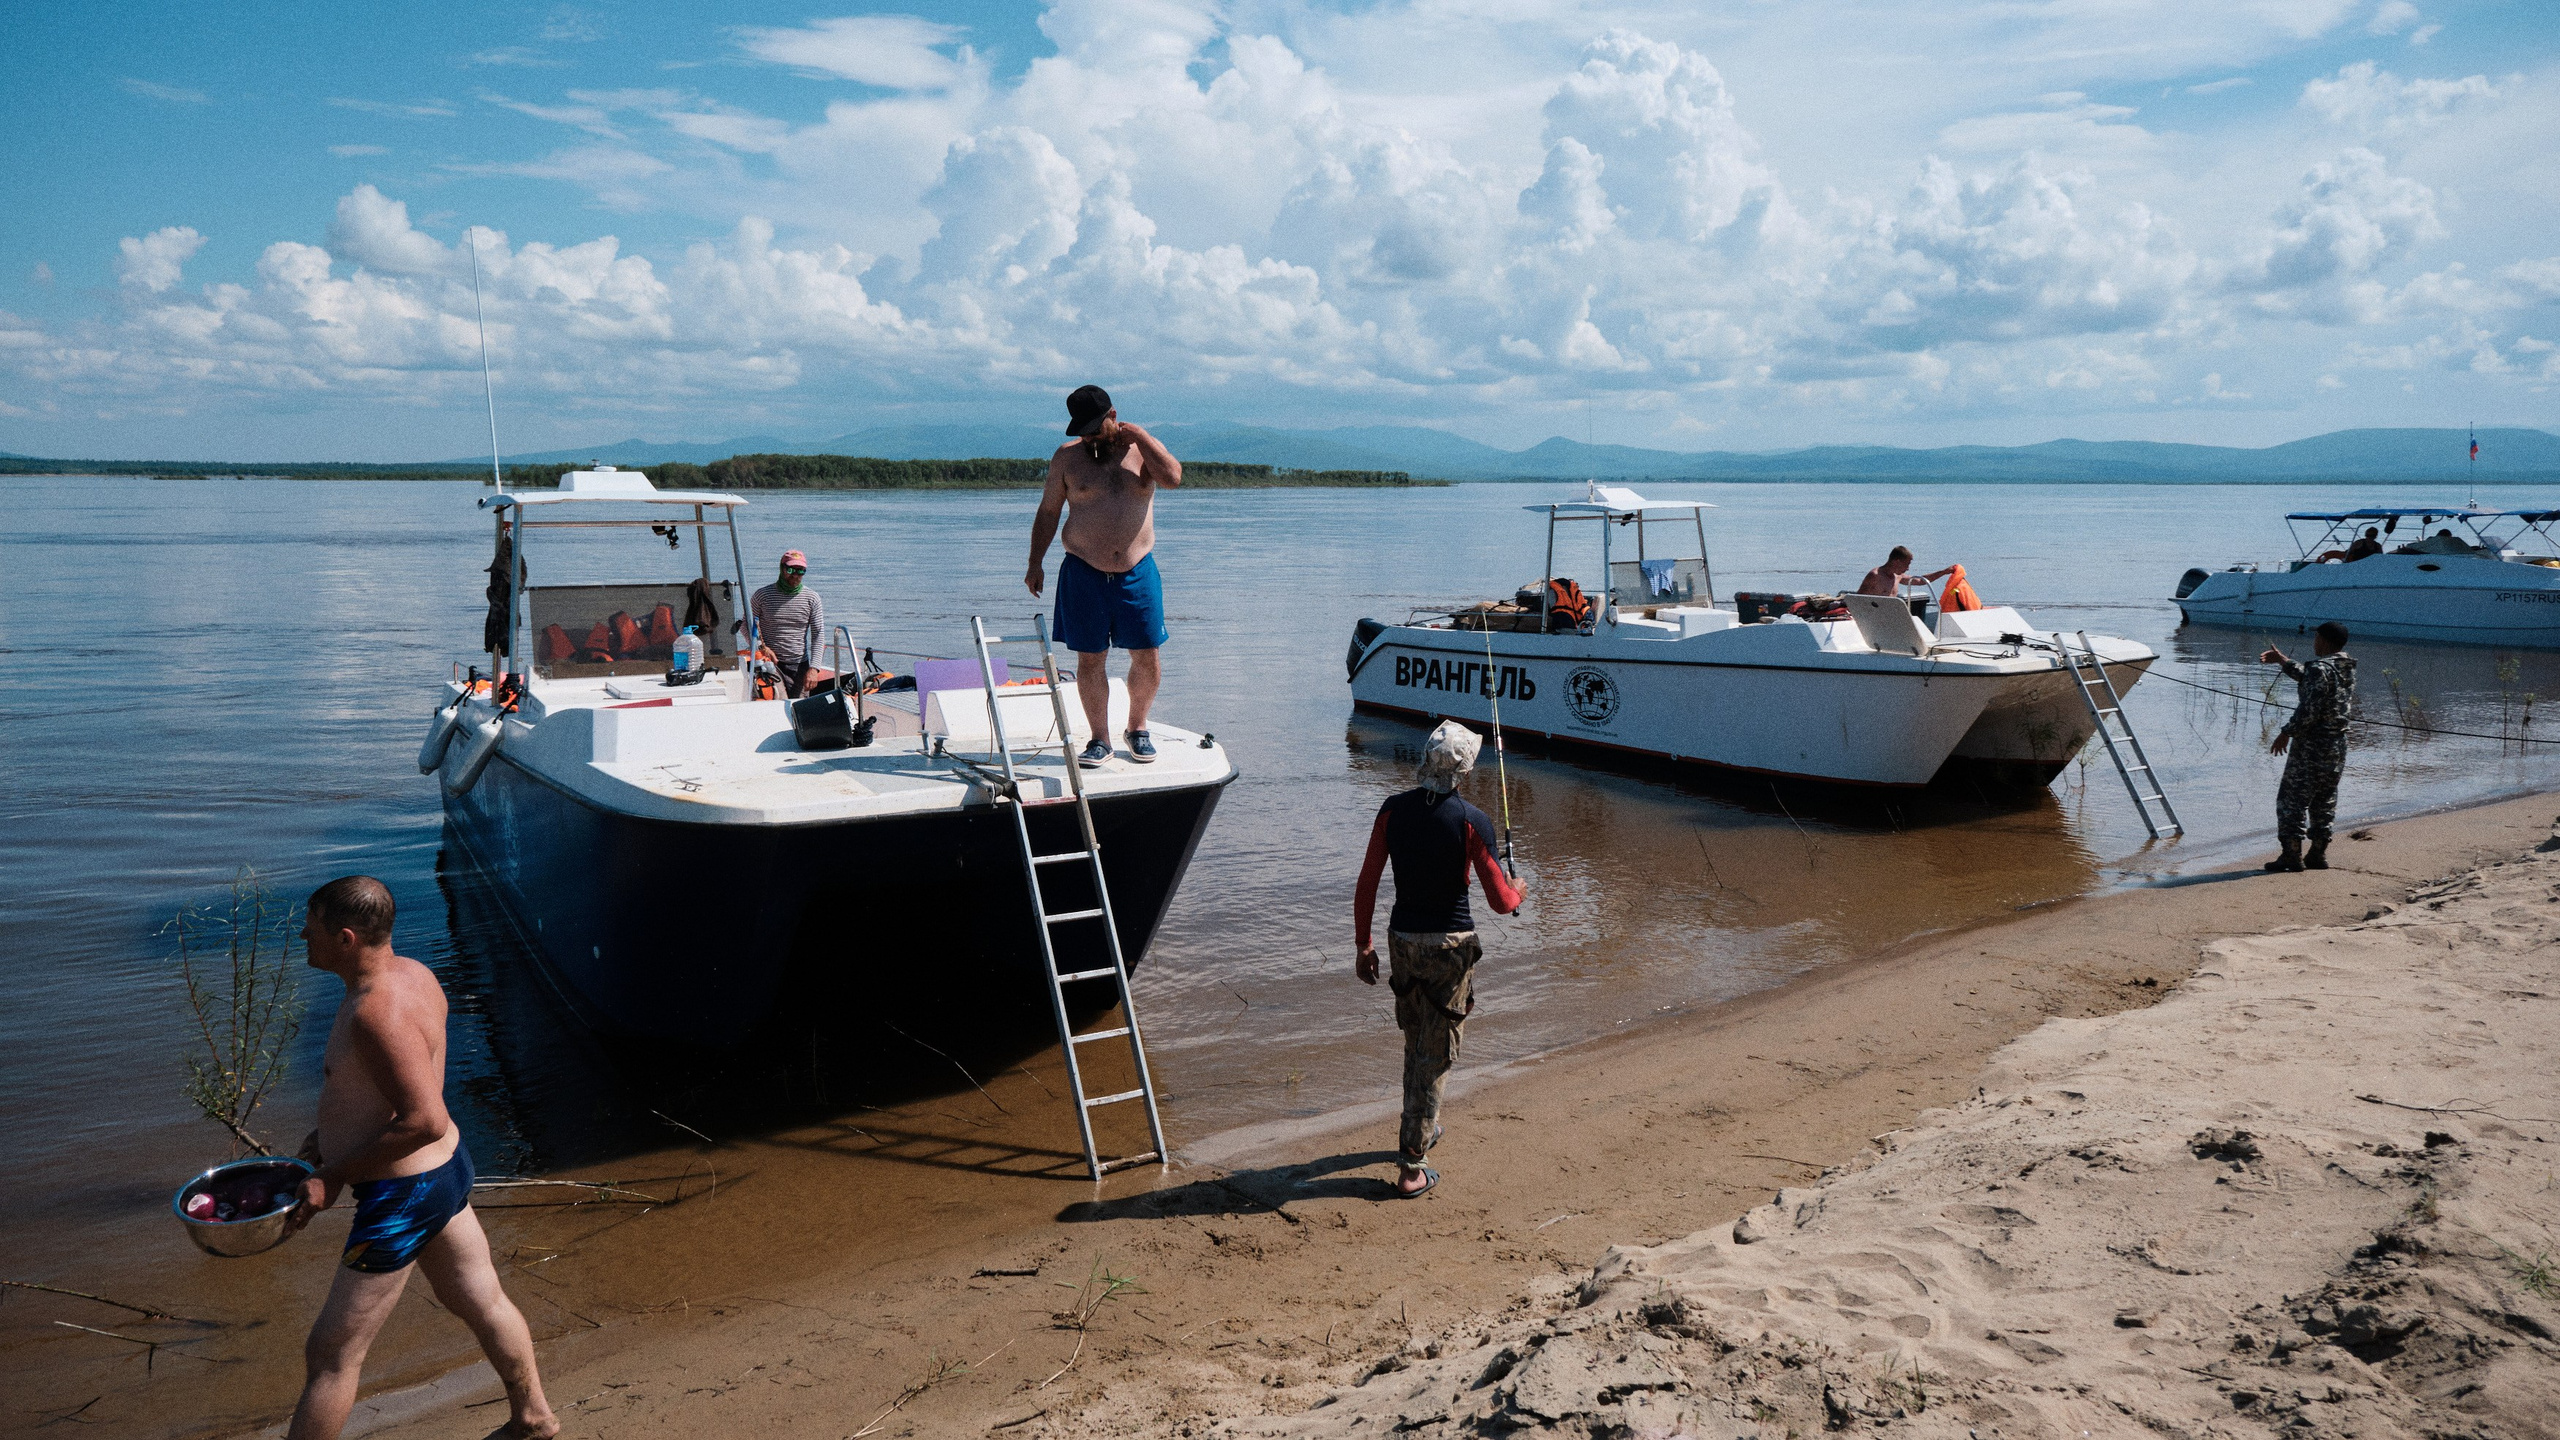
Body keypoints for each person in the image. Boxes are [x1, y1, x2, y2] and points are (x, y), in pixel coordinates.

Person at [284, 877, 556, 1440]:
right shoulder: (414, 974)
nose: (302, 935)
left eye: (310, 927)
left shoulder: (374, 1012)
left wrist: (334, 1173)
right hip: (440, 1171)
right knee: (480, 1298)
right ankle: (533, 1418)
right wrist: (329, 1134)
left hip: (402, 1196)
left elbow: (423, 1117)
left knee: (332, 1354)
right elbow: (393, 1088)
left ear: (345, 938)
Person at [1352, 722, 1526, 1198]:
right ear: (1464, 771)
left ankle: (1422, 1128)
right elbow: (1501, 902)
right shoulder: (1472, 820)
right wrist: (1519, 891)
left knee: (1416, 1040)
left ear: (1426, 760)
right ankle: (1412, 1167)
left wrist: (1364, 945)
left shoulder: (1392, 810)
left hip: (1403, 942)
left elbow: (1367, 883)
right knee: (1437, 1052)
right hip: (1450, 947)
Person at [1025, 384, 1182, 767]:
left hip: (1137, 569)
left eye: (1095, 429)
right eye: (1083, 432)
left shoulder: (1142, 449)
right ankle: (1100, 739)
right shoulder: (1067, 458)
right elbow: (1048, 511)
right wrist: (1035, 562)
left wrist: (1140, 435)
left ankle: (1137, 728)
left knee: (1147, 656)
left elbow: (1173, 478)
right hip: (1083, 570)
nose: (1090, 438)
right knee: (1090, 658)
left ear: (1113, 416)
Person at [2260, 621, 2357, 874]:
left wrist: (2286, 732)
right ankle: (2317, 854)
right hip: (2337, 746)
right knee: (2325, 798)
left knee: (2292, 800)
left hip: (2312, 746)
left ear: (2323, 640)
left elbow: (2310, 709)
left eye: (2316, 638)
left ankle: (2291, 855)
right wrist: (2283, 660)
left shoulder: (2319, 668)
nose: (2314, 642)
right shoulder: (2346, 666)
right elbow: (2312, 679)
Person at [749, 549, 829, 698]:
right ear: (782, 568)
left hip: (799, 665)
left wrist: (814, 668)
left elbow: (818, 634)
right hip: (770, 663)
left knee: (799, 706)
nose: (795, 575)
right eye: (791, 570)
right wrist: (762, 648)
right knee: (778, 701)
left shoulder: (812, 598)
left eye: (800, 571)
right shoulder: (762, 595)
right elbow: (746, 625)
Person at [1857, 546, 1953, 598]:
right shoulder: (1875, 576)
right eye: (1907, 564)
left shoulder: (1898, 576)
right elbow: (1857, 599)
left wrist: (1944, 572)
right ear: (1896, 561)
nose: (1908, 568)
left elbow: (1920, 581)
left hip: (1888, 617)